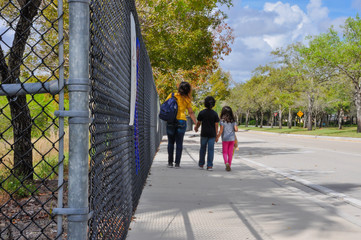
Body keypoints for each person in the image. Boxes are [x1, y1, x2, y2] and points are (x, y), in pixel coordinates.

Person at [165, 82, 196, 168]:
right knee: (179, 142)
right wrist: (196, 123)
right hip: (182, 121)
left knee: (170, 142)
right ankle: (177, 163)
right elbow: (191, 112)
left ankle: (170, 162)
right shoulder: (187, 99)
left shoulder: (172, 95)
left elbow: (165, 106)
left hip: (171, 120)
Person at [194, 96, 219, 171]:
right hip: (212, 134)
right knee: (211, 150)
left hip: (204, 134)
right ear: (213, 104)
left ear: (205, 103)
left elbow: (199, 122)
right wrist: (216, 135)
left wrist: (196, 128)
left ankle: (201, 164)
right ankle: (209, 166)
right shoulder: (215, 114)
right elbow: (216, 125)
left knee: (202, 149)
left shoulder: (202, 113)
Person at [216, 106, 238, 171]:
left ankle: (226, 163)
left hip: (225, 139)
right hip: (232, 139)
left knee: (225, 152)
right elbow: (236, 129)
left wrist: (217, 137)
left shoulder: (222, 121)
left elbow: (221, 130)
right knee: (230, 153)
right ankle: (230, 165)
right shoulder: (233, 120)